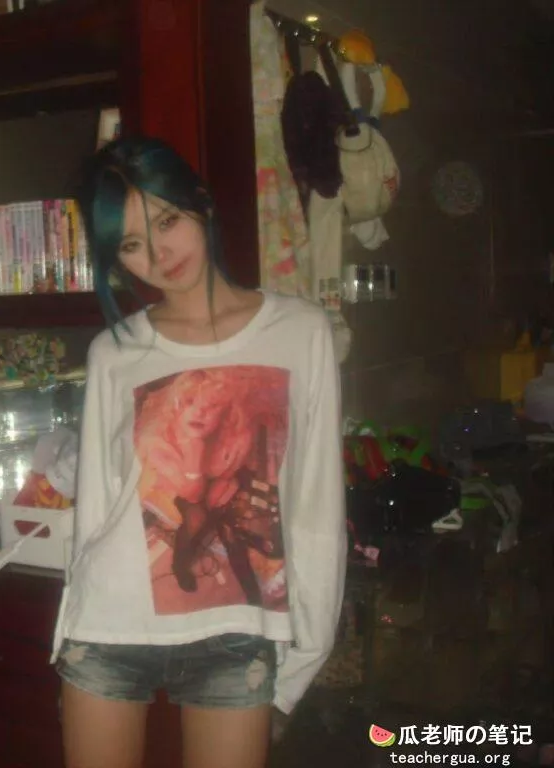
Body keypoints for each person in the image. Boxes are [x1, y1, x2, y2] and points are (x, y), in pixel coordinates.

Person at [52, 135, 347, 768]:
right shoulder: (115, 353)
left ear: (202, 206)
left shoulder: (301, 332)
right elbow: (97, 510)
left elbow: (317, 505)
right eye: (131, 244)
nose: (158, 255)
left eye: (167, 222)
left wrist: (308, 649)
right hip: (110, 625)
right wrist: (71, 616)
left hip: (236, 633)